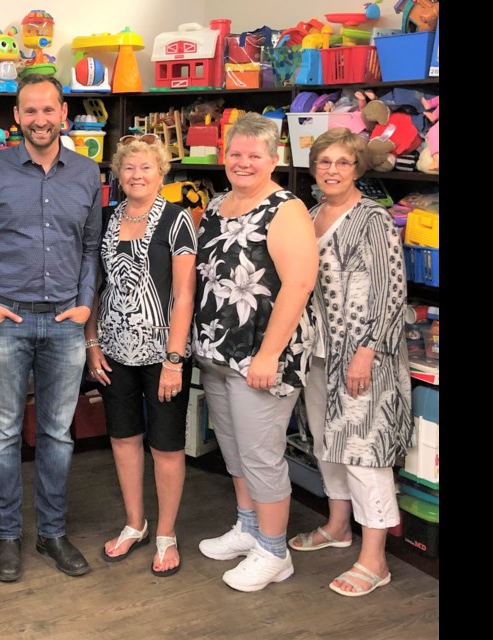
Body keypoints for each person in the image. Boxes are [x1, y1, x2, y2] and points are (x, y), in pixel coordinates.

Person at [0, 74, 103, 582]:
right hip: (7, 320)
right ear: (15, 117)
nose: (40, 120)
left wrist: (86, 305)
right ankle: (7, 535)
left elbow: (90, 247)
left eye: (49, 110)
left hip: (65, 322)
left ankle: (52, 532)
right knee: (0, 434)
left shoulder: (86, 173)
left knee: (58, 434)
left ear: (63, 113)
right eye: (30, 111)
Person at [191, 112, 318, 592]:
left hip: (262, 357)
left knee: (261, 455)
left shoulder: (285, 209)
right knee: (235, 449)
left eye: (254, 155)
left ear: (274, 158)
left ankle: (273, 549)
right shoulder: (221, 203)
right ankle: (248, 527)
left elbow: (300, 283)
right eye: (235, 154)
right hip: (219, 352)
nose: (243, 163)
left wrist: (268, 354)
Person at [287, 127, 412, 597]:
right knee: (326, 443)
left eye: (342, 162)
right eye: (324, 162)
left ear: (357, 168)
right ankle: (339, 525)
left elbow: (390, 290)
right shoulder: (312, 214)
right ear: (314, 168)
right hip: (320, 353)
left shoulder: (372, 220)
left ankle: (374, 558)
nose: (332, 170)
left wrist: (368, 351)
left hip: (364, 356)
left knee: (364, 451)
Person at [85, 133, 197, 577]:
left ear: (161, 172)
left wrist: (174, 359)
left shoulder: (177, 220)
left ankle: (166, 533)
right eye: (128, 168)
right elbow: (94, 286)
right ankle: (136, 523)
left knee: (166, 445)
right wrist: (92, 342)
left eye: (146, 167)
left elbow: (185, 293)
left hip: (162, 353)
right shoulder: (107, 218)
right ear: (118, 173)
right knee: (123, 438)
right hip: (112, 350)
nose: (136, 175)